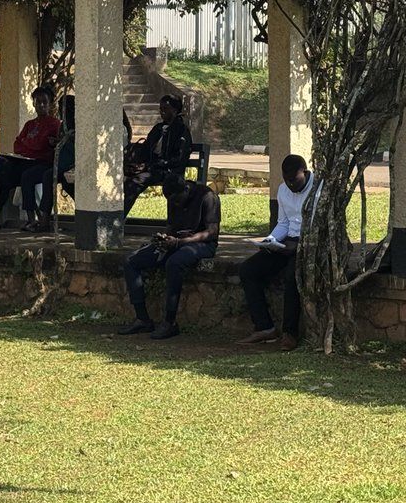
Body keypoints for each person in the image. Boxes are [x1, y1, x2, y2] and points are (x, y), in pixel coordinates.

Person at [119, 173, 220, 340]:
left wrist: (180, 242)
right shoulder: (173, 198)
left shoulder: (207, 196)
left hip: (201, 245)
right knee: (131, 260)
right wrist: (162, 237)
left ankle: (170, 322)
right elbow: (171, 226)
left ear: (186, 189)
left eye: (178, 200)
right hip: (175, 242)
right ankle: (142, 319)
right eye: (172, 201)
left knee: (174, 263)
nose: (175, 204)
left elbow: (211, 232)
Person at [238, 154, 313, 351]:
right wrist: (271, 241)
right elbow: (284, 223)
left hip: (309, 245)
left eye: (294, 180)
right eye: (286, 180)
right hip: (286, 242)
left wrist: (299, 246)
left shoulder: (318, 189)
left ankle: (290, 333)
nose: (289, 185)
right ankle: (264, 327)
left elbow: (318, 227)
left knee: (292, 277)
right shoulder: (282, 190)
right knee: (248, 270)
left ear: (304, 173)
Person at [0, 86, 60, 231]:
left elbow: (40, 146)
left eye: (44, 102)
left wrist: (28, 144)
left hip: (42, 162)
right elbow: (17, 145)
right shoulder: (30, 124)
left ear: (50, 104)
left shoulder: (54, 124)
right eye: (37, 102)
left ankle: (30, 219)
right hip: (25, 160)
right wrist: (31, 145)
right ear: (33, 103)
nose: (41, 105)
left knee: (26, 176)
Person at [123, 95, 192, 213]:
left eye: (165, 108)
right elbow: (146, 148)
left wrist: (149, 166)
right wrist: (136, 164)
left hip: (169, 171)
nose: (162, 111)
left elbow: (178, 159)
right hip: (152, 168)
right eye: (160, 108)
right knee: (124, 178)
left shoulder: (181, 130)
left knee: (135, 181)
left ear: (175, 110)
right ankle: (115, 215)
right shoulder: (158, 128)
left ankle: (118, 218)